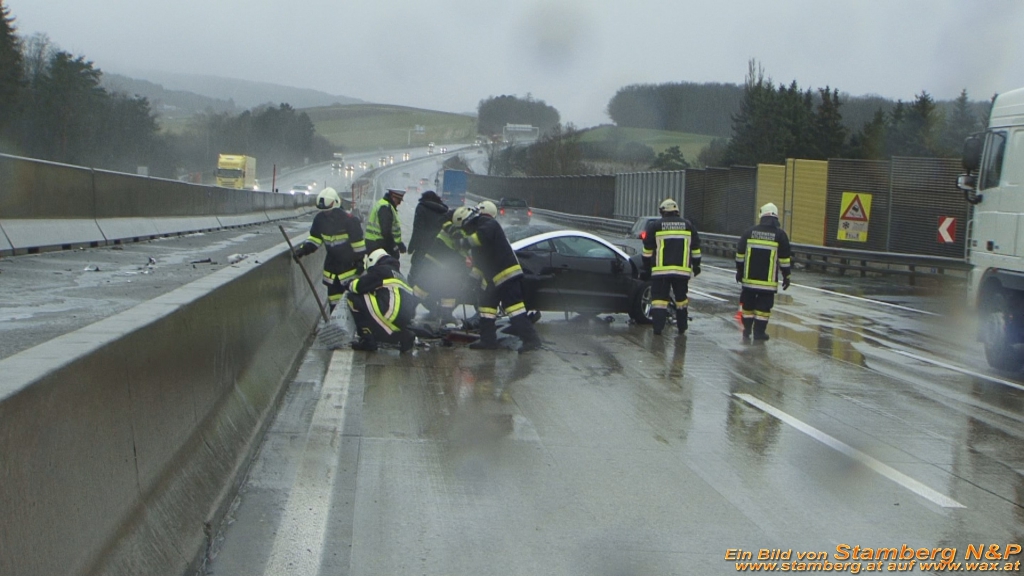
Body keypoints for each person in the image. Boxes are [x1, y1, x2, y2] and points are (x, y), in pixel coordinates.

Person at [461, 207, 543, 353]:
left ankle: (531, 340)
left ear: (470, 222)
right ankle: (488, 341)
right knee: (486, 309)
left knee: (515, 311)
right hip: (493, 280)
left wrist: (463, 242)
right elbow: (479, 266)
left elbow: (481, 237)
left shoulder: (488, 224)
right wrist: (470, 282)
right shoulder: (478, 241)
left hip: (507, 277)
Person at [292, 187, 366, 313]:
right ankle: (334, 321)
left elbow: (359, 245)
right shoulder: (319, 220)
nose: (326, 214)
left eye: (328, 211)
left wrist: (360, 262)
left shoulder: (350, 221)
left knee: (352, 304)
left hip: (349, 270)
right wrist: (303, 250)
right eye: (324, 211)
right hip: (332, 271)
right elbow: (315, 239)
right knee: (334, 303)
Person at [641, 198, 702, 335]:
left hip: (660, 272)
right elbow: (696, 248)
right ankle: (682, 327)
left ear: (663, 211)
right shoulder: (688, 225)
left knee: (659, 301)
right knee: (681, 300)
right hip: (682, 272)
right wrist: (696, 265)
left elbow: (647, 250)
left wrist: (646, 268)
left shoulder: (656, 226)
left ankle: (658, 329)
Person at [735, 202, 792, 341]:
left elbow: (740, 254)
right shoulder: (780, 235)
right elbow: (784, 259)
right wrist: (786, 276)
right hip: (767, 283)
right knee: (763, 309)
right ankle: (759, 333)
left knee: (748, 306)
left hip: (749, 281)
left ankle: (747, 329)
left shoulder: (749, 232)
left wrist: (740, 271)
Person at [412, 206, 478, 322]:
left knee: (446, 291)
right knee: (425, 288)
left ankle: (443, 315)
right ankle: (416, 310)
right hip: (439, 262)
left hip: (442, 264)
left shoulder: (467, 227)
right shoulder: (460, 226)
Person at [346, 248, 418, 352]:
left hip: (391, 312)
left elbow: (358, 286)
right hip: (404, 317)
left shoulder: (380, 270)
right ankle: (402, 335)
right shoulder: (397, 273)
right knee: (373, 302)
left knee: (354, 298)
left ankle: (368, 339)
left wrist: (348, 283)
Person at [407, 190, 449, 287]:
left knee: (416, 268)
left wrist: (411, 247)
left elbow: (418, 229)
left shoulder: (421, 208)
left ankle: (412, 288)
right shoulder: (444, 211)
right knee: (432, 270)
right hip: (437, 245)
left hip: (422, 245)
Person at [365, 188, 407, 260]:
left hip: (375, 244)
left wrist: (399, 244)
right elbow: (386, 232)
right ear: (393, 197)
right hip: (380, 246)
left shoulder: (384, 205)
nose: (399, 203)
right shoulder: (385, 208)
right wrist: (394, 247)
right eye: (399, 200)